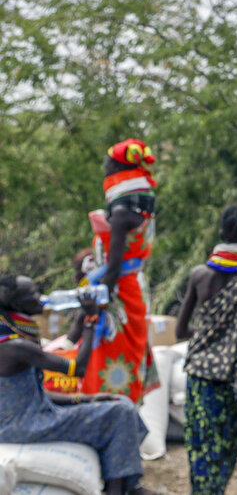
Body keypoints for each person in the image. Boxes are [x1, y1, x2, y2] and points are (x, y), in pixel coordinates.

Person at [0, 274, 148, 495]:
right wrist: (89, 320)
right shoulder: (17, 346)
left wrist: (87, 398)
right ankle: (119, 489)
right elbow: (77, 369)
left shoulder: (11, 338)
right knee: (121, 412)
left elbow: (32, 394)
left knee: (119, 403)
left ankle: (126, 484)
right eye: (32, 294)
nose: (40, 297)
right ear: (16, 304)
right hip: (26, 426)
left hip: (23, 420)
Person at [176, 204, 237, 495]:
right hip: (236, 385)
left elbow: (181, 331)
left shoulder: (199, 275)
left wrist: (211, 336)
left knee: (199, 453)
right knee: (224, 456)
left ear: (221, 233)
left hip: (199, 381)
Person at [65, 139, 159, 401]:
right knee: (127, 350)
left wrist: (97, 303)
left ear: (118, 167)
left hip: (120, 293)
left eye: (108, 161)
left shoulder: (120, 216)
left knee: (113, 353)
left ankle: (111, 407)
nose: (105, 166)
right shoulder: (138, 213)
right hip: (132, 289)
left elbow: (115, 265)